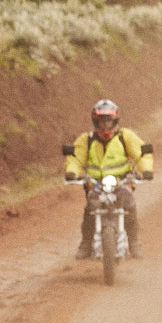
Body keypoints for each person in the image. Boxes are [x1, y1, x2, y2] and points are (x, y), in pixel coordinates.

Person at [63, 99, 154, 257]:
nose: (105, 125)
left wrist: (146, 170)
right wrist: (72, 172)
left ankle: (134, 243)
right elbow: (76, 158)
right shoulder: (87, 139)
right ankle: (86, 244)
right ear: (95, 122)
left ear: (115, 121)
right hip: (96, 185)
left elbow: (141, 154)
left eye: (108, 121)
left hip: (121, 183)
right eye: (102, 121)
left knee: (129, 206)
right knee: (91, 208)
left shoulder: (125, 136)